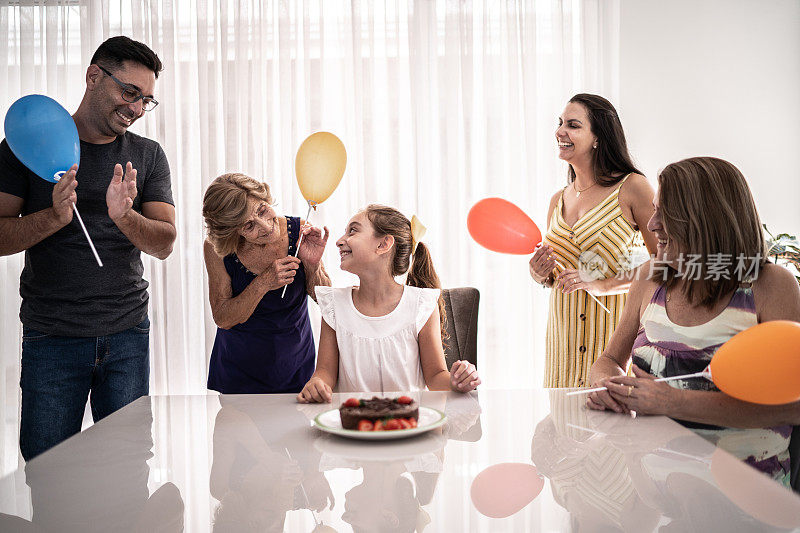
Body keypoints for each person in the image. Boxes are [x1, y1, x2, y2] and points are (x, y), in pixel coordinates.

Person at [0, 36, 176, 460]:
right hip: (52, 338)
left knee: (128, 461)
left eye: (145, 100)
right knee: (47, 466)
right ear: (94, 76)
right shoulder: (26, 146)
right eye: (129, 92)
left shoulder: (148, 155)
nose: (135, 109)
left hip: (128, 333)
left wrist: (125, 217)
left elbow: (166, 242)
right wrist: (52, 218)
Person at [586, 157, 800, 485]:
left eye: (664, 213)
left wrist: (676, 402)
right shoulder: (650, 276)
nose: (653, 224)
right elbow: (610, 360)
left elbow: (793, 407)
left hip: (749, 494)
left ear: (704, 219)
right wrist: (606, 384)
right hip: (661, 490)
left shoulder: (771, 284)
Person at [529, 93, 659, 388]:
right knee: (563, 422)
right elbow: (557, 274)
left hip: (613, 340)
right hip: (563, 337)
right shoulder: (557, 200)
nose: (560, 131)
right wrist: (539, 274)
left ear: (598, 137)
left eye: (573, 125)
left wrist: (604, 284)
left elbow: (664, 262)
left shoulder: (633, 188)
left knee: (610, 424)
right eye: (560, 123)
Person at [297, 205, 480, 403]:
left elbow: (436, 377)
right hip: (353, 427)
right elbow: (325, 371)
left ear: (383, 244)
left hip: (408, 425)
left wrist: (456, 381)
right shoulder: (334, 304)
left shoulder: (421, 305)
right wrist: (317, 382)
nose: (339, 241)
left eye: (353, 231)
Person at [202, 173, 330, 394]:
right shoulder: (217, 249)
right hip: (238, 373)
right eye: (248, 226)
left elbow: (327, 303)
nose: (265, 226)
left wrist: (313, 265)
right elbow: (223, 318)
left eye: (262, 210)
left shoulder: (300, 230)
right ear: (232, 231)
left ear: (266, 198)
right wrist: (263, 283)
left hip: (296, 368)